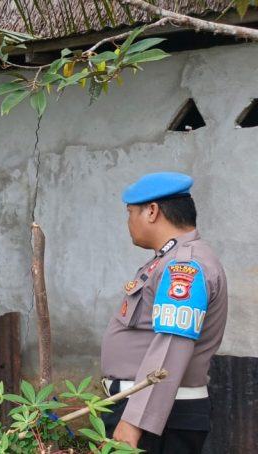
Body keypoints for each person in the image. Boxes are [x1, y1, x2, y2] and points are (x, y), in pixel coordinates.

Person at [100, 172, 228, 452]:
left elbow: (172, 343)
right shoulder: (167, 261)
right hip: (150, 411)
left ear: (152, 211)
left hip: (158, 417)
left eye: (130, 212)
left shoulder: (184, 266)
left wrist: (135, 420)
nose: (128, 222)